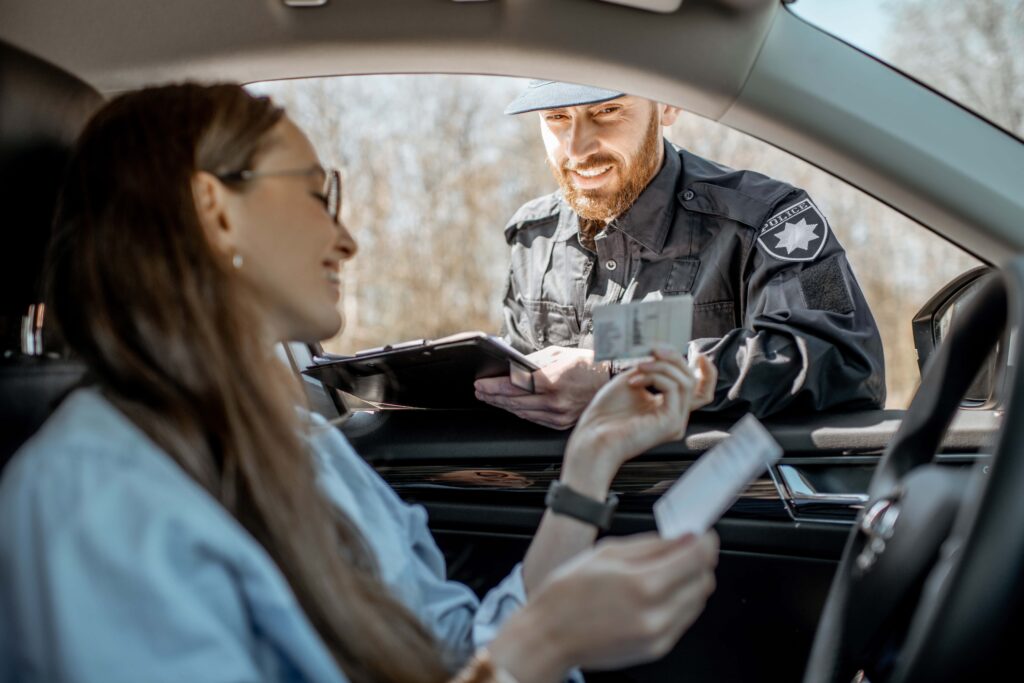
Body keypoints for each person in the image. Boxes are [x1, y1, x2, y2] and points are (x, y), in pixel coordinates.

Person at [0, 83, 719, 683]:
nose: (346, 239)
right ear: (216, 210)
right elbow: (492, 661)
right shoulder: (90, 494)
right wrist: (539, 652)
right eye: (318, 194)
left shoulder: (309, 447)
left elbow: (454, 648)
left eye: (607, 114)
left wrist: (590, 460)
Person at [474, 81, 886, 430]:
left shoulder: (774, 220)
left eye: (608, 111)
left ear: (667, 104)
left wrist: (623, 380)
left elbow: (845, 361)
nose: (578, 149)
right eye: (557, 118)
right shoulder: (533, 236)